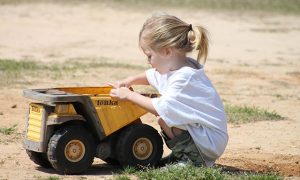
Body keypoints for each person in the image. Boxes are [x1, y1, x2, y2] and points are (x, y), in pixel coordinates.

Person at [108, 13, 228, 167]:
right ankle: (182, 155)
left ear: (167, 51)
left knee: (165, 116)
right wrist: (128, 81)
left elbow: (161, 107)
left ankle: (191, 161)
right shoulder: (178, 67)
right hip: (204, 135)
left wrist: (130, 95)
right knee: (164, 120)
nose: (148, 62)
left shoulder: (184, 78)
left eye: (149, 56)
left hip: (209, 140)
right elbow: (151, 76)